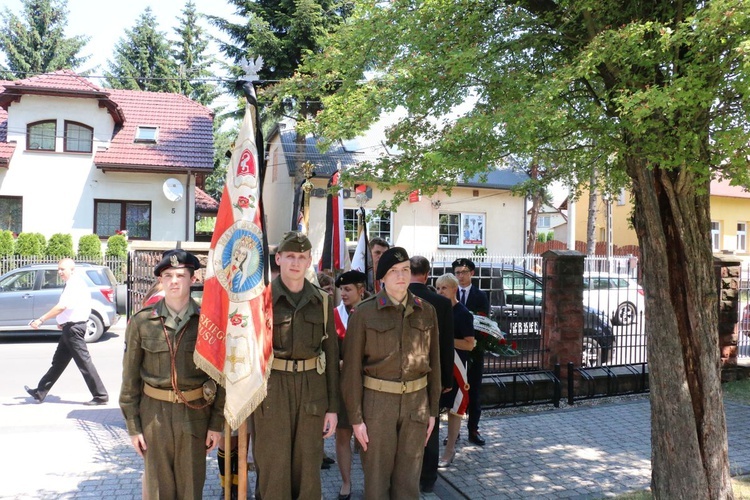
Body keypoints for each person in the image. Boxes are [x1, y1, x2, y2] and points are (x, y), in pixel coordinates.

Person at [119, 249, 225, 499]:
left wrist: (216, 424)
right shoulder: (141, 322)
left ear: (192, 278)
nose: (174, 281)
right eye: (168, 275)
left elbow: (220, 379)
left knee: (191, 487)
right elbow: (130, 381)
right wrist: (134, 427)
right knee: (158, 489)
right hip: (154, 415)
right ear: (161, 280)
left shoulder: (208, 322)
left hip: (195, 414)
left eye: (180, 275)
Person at [342, 247, 441, 499]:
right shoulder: (364, 313)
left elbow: (436, 364)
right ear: (382, 278)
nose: (401, 276)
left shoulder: (426, 310)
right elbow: (351, 370)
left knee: (409, 482)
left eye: (406, 269)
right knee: (376, 482)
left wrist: (432, 411)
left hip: (416, 405)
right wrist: (355, 418)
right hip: (377, 406)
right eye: (394, 271)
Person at [252, 231, 340, 500]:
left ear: (309, 260)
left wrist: (333, 408)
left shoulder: (322, 301)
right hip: (272, 388)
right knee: (273, 466)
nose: (295, 262)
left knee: (308, 466)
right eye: (290, 256)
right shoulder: (260, 300)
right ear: (278, 259)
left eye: (302, 257)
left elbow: (332, 356)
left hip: (312, 389)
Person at [24, 258, 109, 406]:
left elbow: (62, 306)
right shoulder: (74, 284)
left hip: (74, 330)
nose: (59, 272)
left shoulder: (74, 285)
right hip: (70, 327)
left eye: (62, 269)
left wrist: (41, 319)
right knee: (58, 362)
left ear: (72, 270)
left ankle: (100, 396)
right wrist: (63, 321)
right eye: (59, 269)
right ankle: (40, 391)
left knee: (84, 363)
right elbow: (74, 307)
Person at [408, 256, 455, 494]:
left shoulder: (399, 297)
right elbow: (446, 345)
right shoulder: (441, 303)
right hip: (432, 372)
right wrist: (447, 379)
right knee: (431, 425)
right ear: (427, 274)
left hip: (404, 372)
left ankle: (406, 474)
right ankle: (427, 478)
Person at [435, 273, 476, 467]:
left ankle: (449, 450)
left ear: (454, 289)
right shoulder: (435, 310)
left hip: (457, 367)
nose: (440, 291)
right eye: (437, 288)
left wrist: (445, 341)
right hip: (439, 366)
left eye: (444, 288)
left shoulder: (463, 313)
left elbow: (469, 344)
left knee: (454, 410)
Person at [333, 270, 367, 500]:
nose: (343, 293)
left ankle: (372, 481)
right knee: (343, 435)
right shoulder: (333, 315)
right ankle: (346, 482)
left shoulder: (371, 313)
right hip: (343, 386)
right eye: (341, 289)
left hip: (368, 385)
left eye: (348, 289)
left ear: (361, 290)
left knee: (368, 439)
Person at [452, 257, 490, 446]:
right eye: (457, 272)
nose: (461, 276)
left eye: (464, 272)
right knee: (455, 392)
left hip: (474, 352)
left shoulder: (480, 295)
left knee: (474, 393)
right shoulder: (450, 294)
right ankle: (454, 432)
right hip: (455, 352)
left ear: (472, 273)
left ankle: (473, 430)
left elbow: (484, 324)